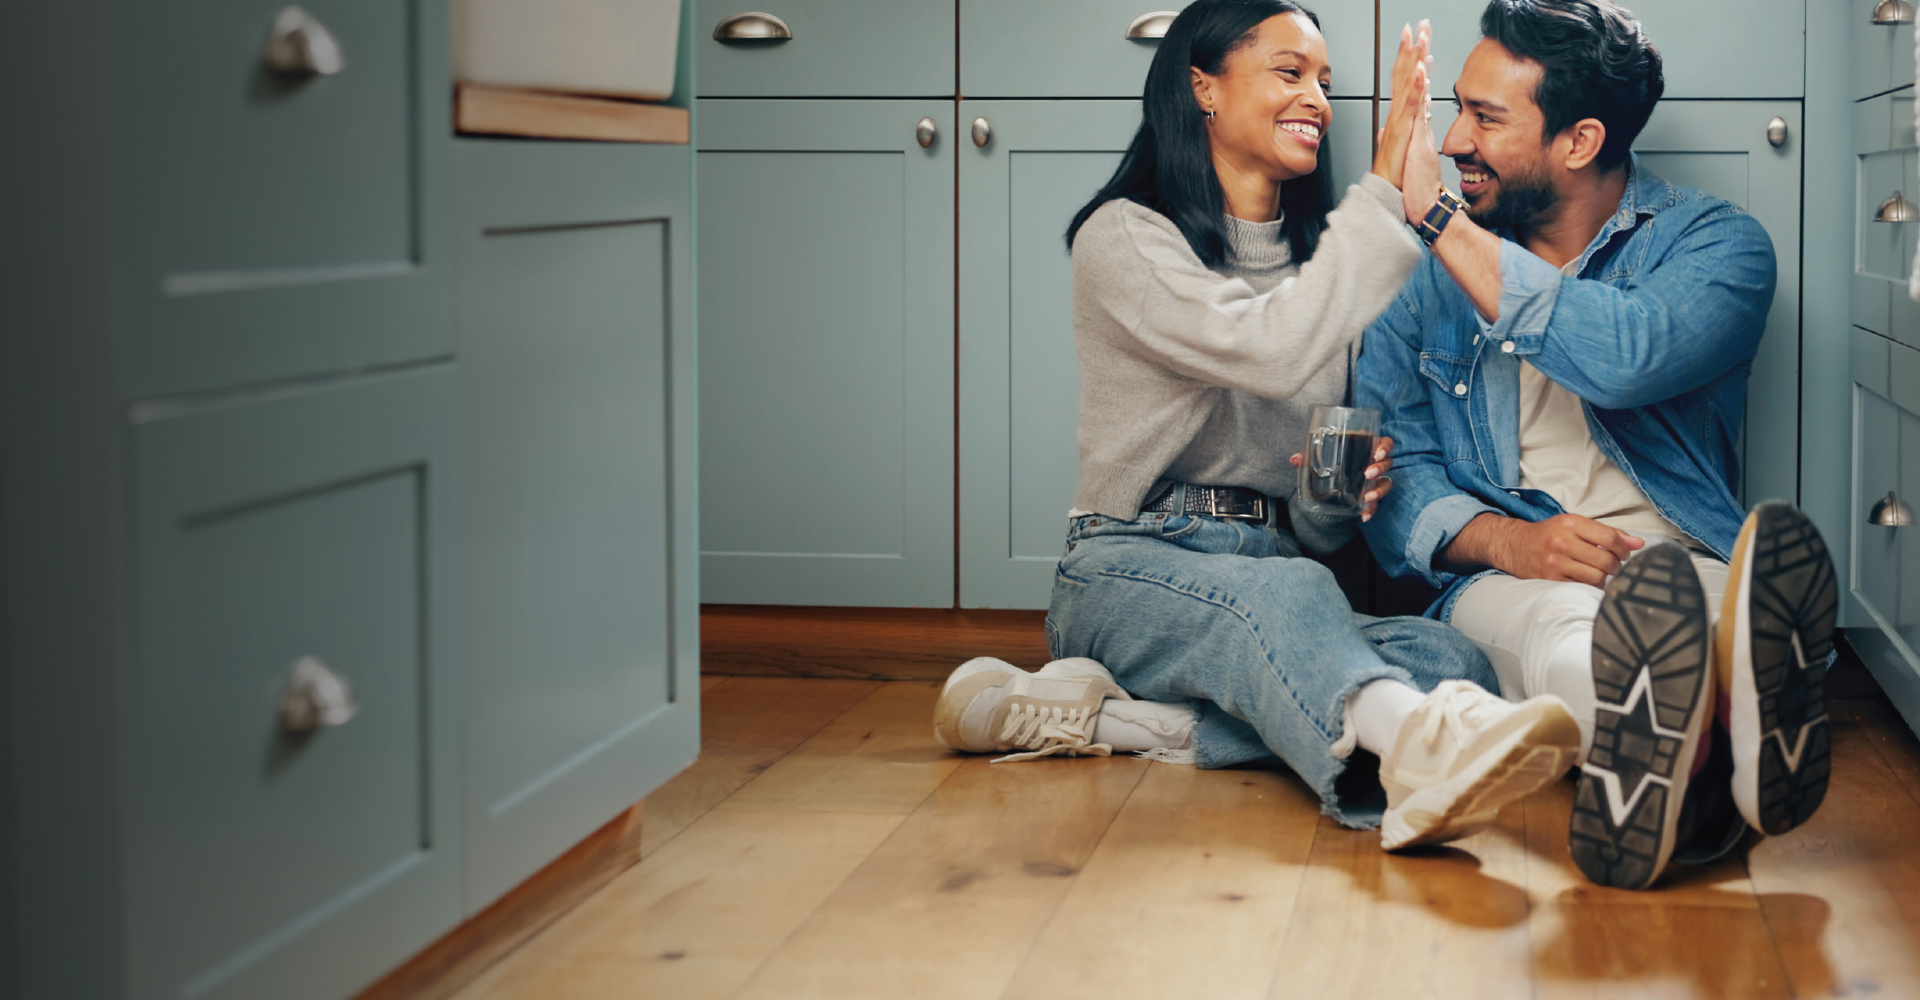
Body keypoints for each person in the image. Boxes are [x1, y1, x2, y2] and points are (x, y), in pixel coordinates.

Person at [930, 0, 1582, 851]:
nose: (1317, 98)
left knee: (1452, 662)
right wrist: (1387, 197)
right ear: (1203, 85)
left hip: (1275, 574)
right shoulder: (1126, 238)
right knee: (1295, 602)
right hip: (1131, 568)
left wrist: (1337, 492)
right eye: (1290, 71)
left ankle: (1132, 726)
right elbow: (1266, 350)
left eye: (1325, 82)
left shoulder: (1328, 272)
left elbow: (1312, 526)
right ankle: (1417, 752)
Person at [1354, 0, 1838, 890]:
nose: (1454, 140)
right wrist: (1515, 543)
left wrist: (1434, 218)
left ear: (1578, 142)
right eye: (1455, 108)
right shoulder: (1416, 280)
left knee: (1717, 618)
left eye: (1486, 118)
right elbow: (1394, 493)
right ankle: (1714, 756)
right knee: (1564, 629)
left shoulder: (1718, 246)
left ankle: (1704, 743)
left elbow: (1623, 357)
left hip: (1677, 564)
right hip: (1510, 578)